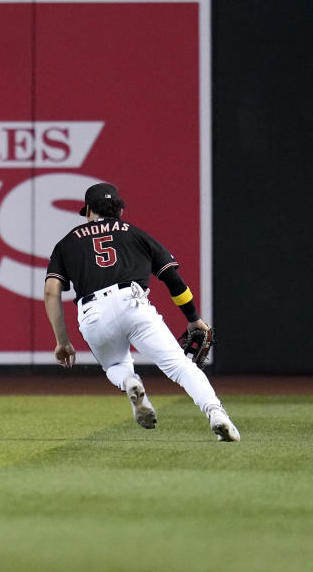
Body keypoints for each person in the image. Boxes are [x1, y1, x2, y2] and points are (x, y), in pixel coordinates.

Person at [43, 182, 239, 442]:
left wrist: (62, 341)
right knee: (181, 367)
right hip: (132, 302)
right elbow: (173, 280)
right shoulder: (135, 234)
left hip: (92, 312)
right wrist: (193, 318)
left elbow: (51, 292)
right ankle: (216, 414)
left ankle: (129, 382)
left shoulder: (67, 243)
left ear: (88, 209)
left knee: (114, 364)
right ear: (120, 211)